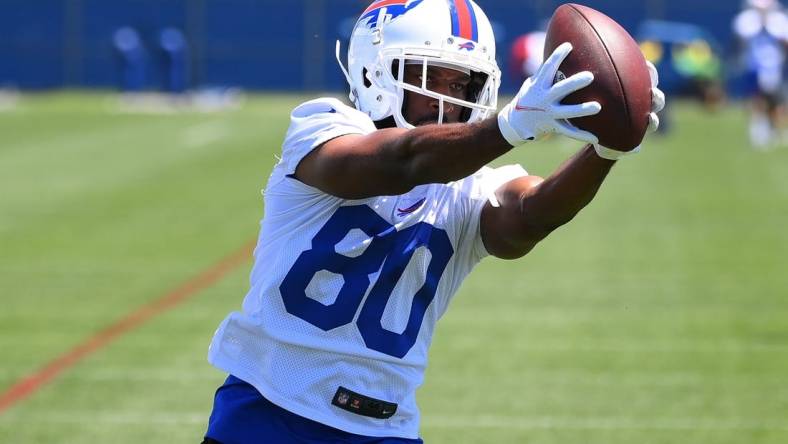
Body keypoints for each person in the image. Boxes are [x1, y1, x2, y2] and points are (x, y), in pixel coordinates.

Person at [202, 0, 664, 442]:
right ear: (374, 71)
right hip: (266, 412)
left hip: (385, 426)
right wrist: (508, 127)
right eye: (429, 76)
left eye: (461, 85)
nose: (444, 97)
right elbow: (401, 163)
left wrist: (605, 152)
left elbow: (527, 218)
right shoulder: (323, 127)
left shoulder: (471, 181)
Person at [732, 0, 788, 148]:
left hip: (774, 66)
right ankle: (758, 130)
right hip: (753, 65)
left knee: (776, 102)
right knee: (755, 99)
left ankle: (775, 130)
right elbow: (741, 39)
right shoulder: (747, 20)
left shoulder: (779, 20)